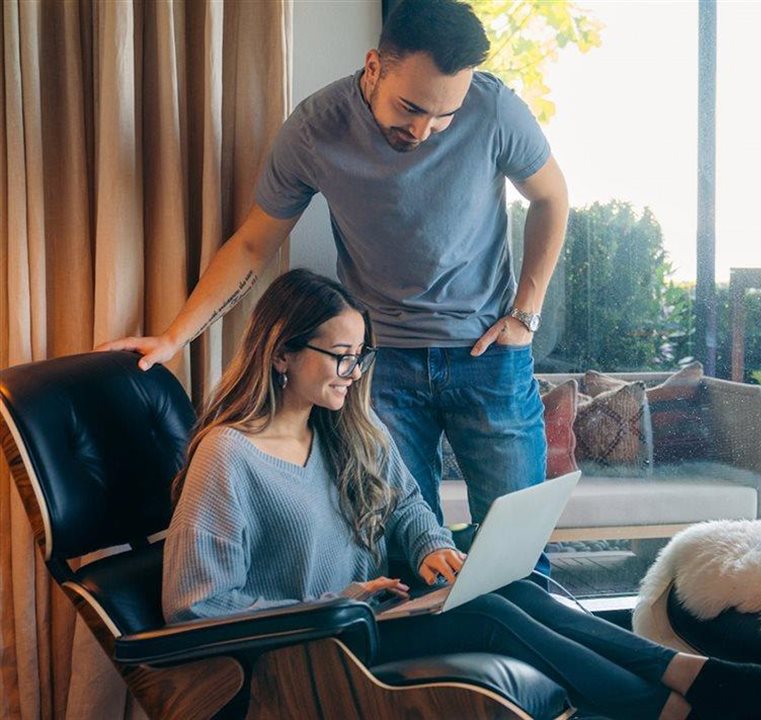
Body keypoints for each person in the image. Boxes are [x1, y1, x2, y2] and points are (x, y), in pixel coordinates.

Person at [162, 269, 761, 720]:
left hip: (370, 618)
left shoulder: (348, 431)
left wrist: (430, 552)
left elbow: (409, 508)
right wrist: (334, 601)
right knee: (490, 616)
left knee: (519, 588)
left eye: (361, 356)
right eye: (339, 356)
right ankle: (688, 703)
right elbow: (197, 608)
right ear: (280, 353)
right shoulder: (229, 458)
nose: (352, 372)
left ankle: (694, 686)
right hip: (310, 650)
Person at [100, 0, 564, 577]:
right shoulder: (315, 129)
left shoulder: (496, 108)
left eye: (444, 116)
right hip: (377, 370)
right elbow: (252, 244)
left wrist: (526, 314)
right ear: (374, 67)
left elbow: (551, 197)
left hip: (490, 359)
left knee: (519, 555)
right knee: (402, 550)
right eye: (411, 108)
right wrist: (174, 337)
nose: (423, 131)